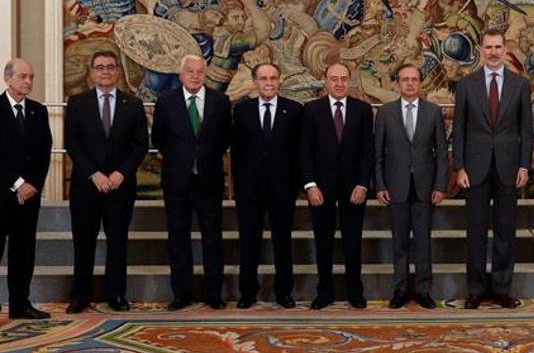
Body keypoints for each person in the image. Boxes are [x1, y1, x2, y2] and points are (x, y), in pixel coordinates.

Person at [452, 29, 533, 310]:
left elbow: (526, 129)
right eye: (489, 47)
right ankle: (475, 289)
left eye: (498, 47)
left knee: (505, 231)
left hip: (509, 168)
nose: (494, 52)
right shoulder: (465, 85)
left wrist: (525, 164)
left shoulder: (520, 85)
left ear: (505, 48)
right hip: (473, 169)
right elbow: (458, 130)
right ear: (481, 50)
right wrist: (459, 167)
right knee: (475, 231)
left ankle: (501, 289)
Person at [64, 50, 148, 313]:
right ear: (92, 72)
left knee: (118, 242)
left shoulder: (132, 104)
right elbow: (72, 144)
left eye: (110, 67)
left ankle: (116, 295)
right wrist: (94, 174)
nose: (105, 72)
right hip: (86, 186)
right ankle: (80, 296)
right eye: (100, 67)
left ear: (117, 72)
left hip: (120, 187)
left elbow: (140, 145)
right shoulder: (77, 103)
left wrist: (121, 173)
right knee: (84, 242)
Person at [151, 55, 231, 310]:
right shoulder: (166, 102)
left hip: (209, 180)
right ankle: (181, 294)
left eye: (199, 71)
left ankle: (213, 293)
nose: (195, 76)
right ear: (181, 74)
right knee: (178, 238)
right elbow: (159, 139)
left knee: (212, 238)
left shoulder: (221, 101)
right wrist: (182, 159)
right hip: (177, 181)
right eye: (190, 71)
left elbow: (224, 138)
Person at [299, 62, 374, 310]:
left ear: (349, 81)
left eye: (344, 79)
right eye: (334, 79)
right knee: (323, 241)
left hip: (354, 188)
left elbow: (367, 152)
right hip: (320, 188)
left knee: (353, 241)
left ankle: (355, 291)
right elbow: (304, 150)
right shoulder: (311, 110)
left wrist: (363, 184)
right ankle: (324, 292)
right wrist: (310, 185)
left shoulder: (362, 110)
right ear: (325, 82)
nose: (339, 83)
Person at [374, 63, 448, 309]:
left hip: (425, 188)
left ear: (420, 82)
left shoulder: (433, 112)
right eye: (405, 79)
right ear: (397, 83)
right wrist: (380, 184)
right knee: (400, 243)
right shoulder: (385, 113)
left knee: (423, 242)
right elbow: (378, 154)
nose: (409, 84)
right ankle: (401, 289)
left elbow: (441, 153)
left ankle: (424, 290)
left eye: (414, 79)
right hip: (396, 187)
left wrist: (440, 185)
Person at [231, 63, 302, 309]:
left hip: (283, 188)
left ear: (280, 80)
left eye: (273, 78)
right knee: (249, 241)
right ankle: (247, 292)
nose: (268, 82)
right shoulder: (242, 111)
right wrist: (238, 186)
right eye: (263, 78)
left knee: (283, 241)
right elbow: (237, 152)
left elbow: (298, 152)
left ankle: (284, 292)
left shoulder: (293, 110)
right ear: (255, 82)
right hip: (249, 189)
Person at [0, 58, 52, 319]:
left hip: (29, 197)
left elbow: (44, 153)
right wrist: (17, 183)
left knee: (23, 253)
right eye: (23, 77)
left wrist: (32, 185)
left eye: (31, 77)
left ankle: (20, 304)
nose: (28, 82)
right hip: (2, 194)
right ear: (8, 79)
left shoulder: (38, 111)